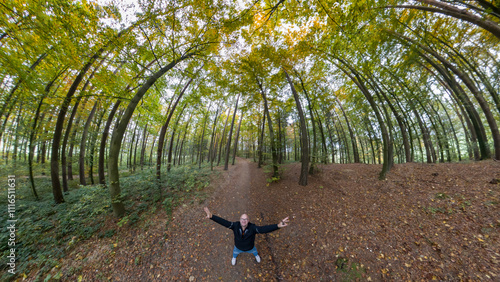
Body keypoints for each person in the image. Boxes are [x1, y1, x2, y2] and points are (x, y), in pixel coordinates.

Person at [204, 207, 289, 265]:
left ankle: (256, 256)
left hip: (250, 248)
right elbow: (224, 222)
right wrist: (212, 216)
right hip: (238, 248)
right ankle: (234, 258)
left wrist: (277, 226)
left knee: (255, 252)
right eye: (242, 219)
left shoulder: (253, 228)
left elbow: (264, 229)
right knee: (234, 254)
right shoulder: (235, 225)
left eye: (246, 219)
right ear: (240, 220)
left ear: (248, 221)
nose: (244, 220)